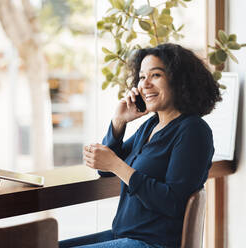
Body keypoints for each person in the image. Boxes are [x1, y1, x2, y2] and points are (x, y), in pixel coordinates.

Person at [59, 43, 222, 248]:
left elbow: (173, 202)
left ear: (179, 80)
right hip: (124, 235)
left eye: (155, 75)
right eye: (142, 77)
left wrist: (116, 165)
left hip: (153, 243)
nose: (145, 84)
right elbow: (105, 170)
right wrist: (118, 123)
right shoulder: (152, 125)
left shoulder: (193, 130)